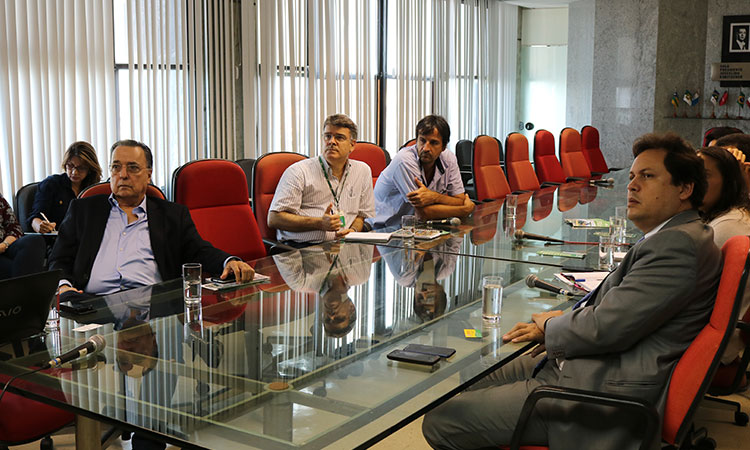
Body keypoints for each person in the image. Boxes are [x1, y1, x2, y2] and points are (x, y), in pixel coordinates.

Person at [422, 132, 722, 449]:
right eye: (633, 176)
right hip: (589, 364)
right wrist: (558, 326)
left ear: (685, 189)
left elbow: (607, 327)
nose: (632, 186)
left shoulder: (678, 246)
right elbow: (619, 314)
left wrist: (551, 326)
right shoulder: (677, 234)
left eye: (648, 177)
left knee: (440, 420)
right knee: (475, 370)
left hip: (596, 392)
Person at [50, 139, 254, 299]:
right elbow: (59, 259)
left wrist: (229, 261)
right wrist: (64, 286)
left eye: (132, 168)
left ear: (148, 175)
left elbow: (199, 250)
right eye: (116, 167)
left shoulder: (172, 215)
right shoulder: (83, 210)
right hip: (92, 306)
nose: (122, 175)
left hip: (153, 307)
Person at [268, 114, 375, 245]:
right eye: (328, 136)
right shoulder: (299, 171)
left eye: (339, 137)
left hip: (345, 246)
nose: (332, 142)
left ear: (352, 145)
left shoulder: (362, 171)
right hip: (302, 250)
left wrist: (352, 231)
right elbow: (274, 219)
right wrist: (319, 223)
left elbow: (360, 215)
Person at [369, 115, 474, 230]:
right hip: (384, 231)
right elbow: (423, 213)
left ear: (443, 147)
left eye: (434, 143)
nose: (425, 148)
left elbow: (459, 199)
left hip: (417, 229)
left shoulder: (449, 158)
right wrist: (464, 210)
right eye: (422, 140)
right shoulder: (404, 160)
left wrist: (435, 197)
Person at [697, 146, 750, 365]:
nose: (695, 182)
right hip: (721, 334)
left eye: (705, 176)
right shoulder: (733, 215)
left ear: (729, 182)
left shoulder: (726, 226)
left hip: (715, 346)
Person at [29, 141, 103, 233]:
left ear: (90, 169)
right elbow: (35, 217)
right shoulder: (51, 184)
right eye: (70, 166)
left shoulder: (94, 189)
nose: (74, 172)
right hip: (57, 240)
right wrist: (40, 225)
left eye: (81, 168)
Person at [0, 193, 46, 280]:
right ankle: (25, 291)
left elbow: (15, 228)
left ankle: (22, 289)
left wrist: (4, 244)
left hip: (6, 245)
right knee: (20, 269)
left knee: (34, 241)